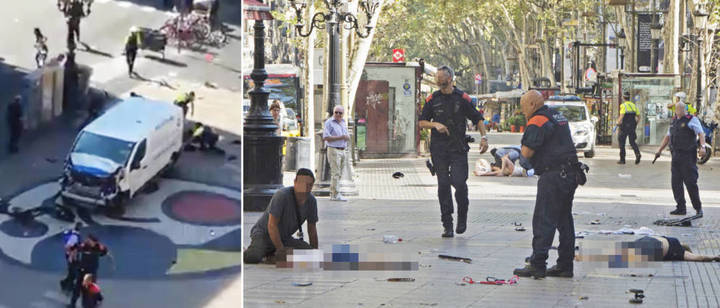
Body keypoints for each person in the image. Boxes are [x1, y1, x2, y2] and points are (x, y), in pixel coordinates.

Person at [513, 90, 579, 279]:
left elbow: (525, 154)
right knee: (564, 220)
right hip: (570, 174)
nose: (522, 111)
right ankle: (565, 265)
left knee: (544, 219)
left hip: (553, 176)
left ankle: (538, 263)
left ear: (533, 104)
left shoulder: (537, 120)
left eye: (524, 106)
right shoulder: (557, 116)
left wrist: (525, 165)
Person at [419, 65, 488, 238]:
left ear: (449, 79)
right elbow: (421, 122)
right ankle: (447, 223)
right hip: (439, 148)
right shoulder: (432, 99)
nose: (437, 80)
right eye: (436, 78)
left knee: (459, 183)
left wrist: (484, 138)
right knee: (443, 185)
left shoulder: (462, 98)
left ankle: (462, 215)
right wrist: (434, 124)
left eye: (440, 78)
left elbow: (478, 118)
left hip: (458, 148)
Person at [244, 169, 319, 264]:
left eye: (309, 185)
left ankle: (271, 254)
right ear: (295, 182)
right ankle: (251, 251)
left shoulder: (311, 201)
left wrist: (315, 253)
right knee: (253, 257)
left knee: (308, 252)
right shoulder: (282, 196)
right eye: (302, 184)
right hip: (264, 234)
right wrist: (281, 250)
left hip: (284, 237)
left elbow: (312, 229)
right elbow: (272, 225)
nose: (304, 189)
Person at [655, 101, 705, 217]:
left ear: (684, 109)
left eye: (680, 109)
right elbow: (668, 137)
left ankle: (698, 208)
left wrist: (702, 147)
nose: (678, 112)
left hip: (688, 156)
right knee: (676, 183)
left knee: (691, 183)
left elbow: (701, 134)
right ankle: (680, 207)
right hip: (676, 156)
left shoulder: (692, 119)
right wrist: (659, 150)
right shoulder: (674, 121)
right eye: (677, 110)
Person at [579, 236, 720, 265]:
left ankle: (586, 254)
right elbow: (698, 258)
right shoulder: (681, 252)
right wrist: (714, 257)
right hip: (655, 249)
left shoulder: (672, 239)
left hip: (649, 240)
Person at [70, 234, 110, 307]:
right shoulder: (84, 246)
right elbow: (74, 249)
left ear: (94, 242)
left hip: (91, 271)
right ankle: (72, 304)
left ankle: (97, 298)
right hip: (82, 270)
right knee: (77, 288)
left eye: (89, 240)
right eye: (87, 240)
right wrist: (73, 258)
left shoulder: (98, 247)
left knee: (89, 289)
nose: (87, 241)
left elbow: (106, 252)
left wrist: (110, 261)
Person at [323, 105, 350, 202]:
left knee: (339, 173)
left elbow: (345, 135)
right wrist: (341, 137)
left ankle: (335, 192)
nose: (338, 114)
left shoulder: (343, 122)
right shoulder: (329, 122)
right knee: (335, 172)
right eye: (336, 112)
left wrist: (346, 138)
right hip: (333, 149)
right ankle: (335, 194)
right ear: (333, 113)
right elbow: (326, 137)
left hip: (342, 149)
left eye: (340, 113)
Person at [616, 91, 641, 164]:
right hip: (632, 126)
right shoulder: (633, 105)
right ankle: (637, 154)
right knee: (632, 142)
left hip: (624, 126)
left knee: (622, 143)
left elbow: (622, 115)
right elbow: (639, 116)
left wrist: (618, 122)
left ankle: (622, 159)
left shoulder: (623, 106)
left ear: (623, 98)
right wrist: (636, 123)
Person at [60, 222, 83, 292]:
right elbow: (68, 246)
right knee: (73, 271)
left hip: (73, 255)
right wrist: (71, 256)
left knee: (73, 271)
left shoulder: (73, 234)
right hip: (72, 256)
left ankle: (66, 283)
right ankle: (68, 285)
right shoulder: (75, 236)